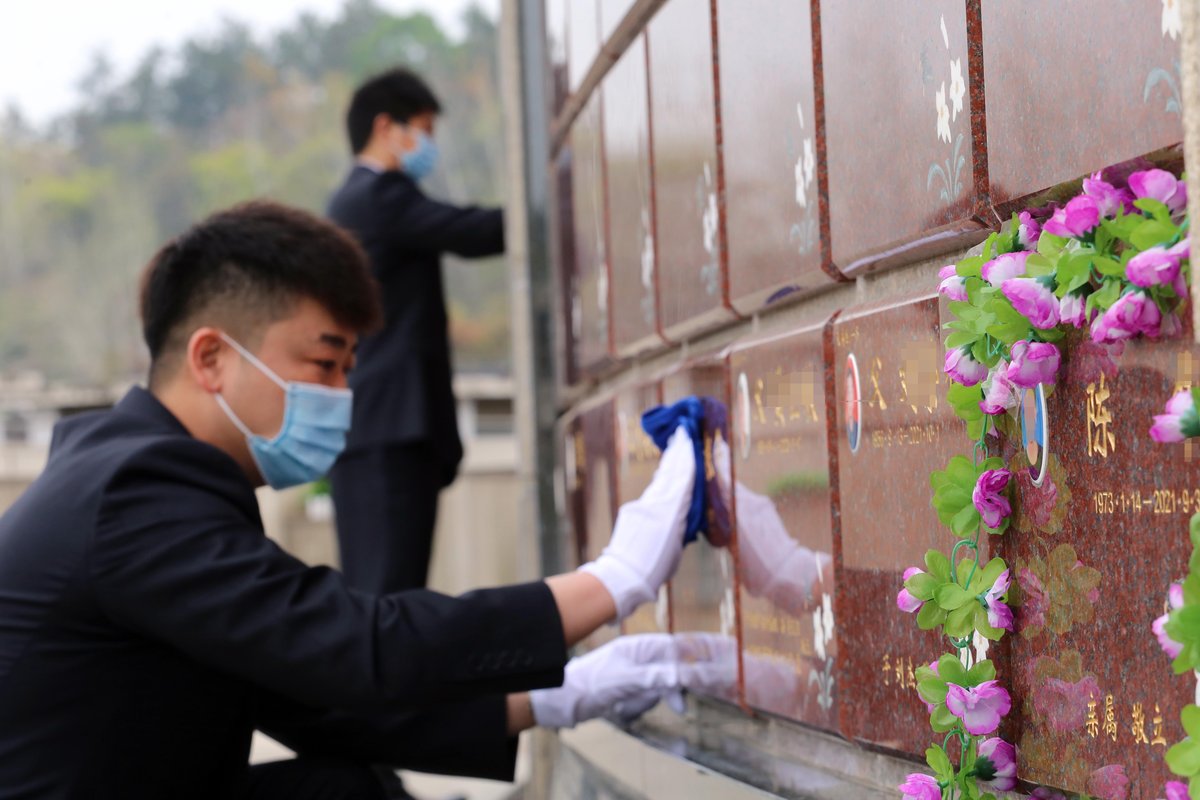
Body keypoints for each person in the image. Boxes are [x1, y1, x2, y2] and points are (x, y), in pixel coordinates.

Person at [0, 201, 707, 799]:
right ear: (211, 358)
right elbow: (356, 644)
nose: (341, 396)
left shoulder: (136, 477)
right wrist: (611, 582)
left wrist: (564, 693)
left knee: (347, 786)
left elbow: (318, 703)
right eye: (322, 363)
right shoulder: (136, 492)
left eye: (347, 369)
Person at [326, 67, 502, 594]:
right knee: (387, 591)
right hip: (388, 429)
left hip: (378, 429)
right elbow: (467, 231)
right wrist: (547, 209)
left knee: (381, 587)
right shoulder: (377, 197)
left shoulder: (359, 199)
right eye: (424, 130)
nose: (428, 146)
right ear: (387, 126)